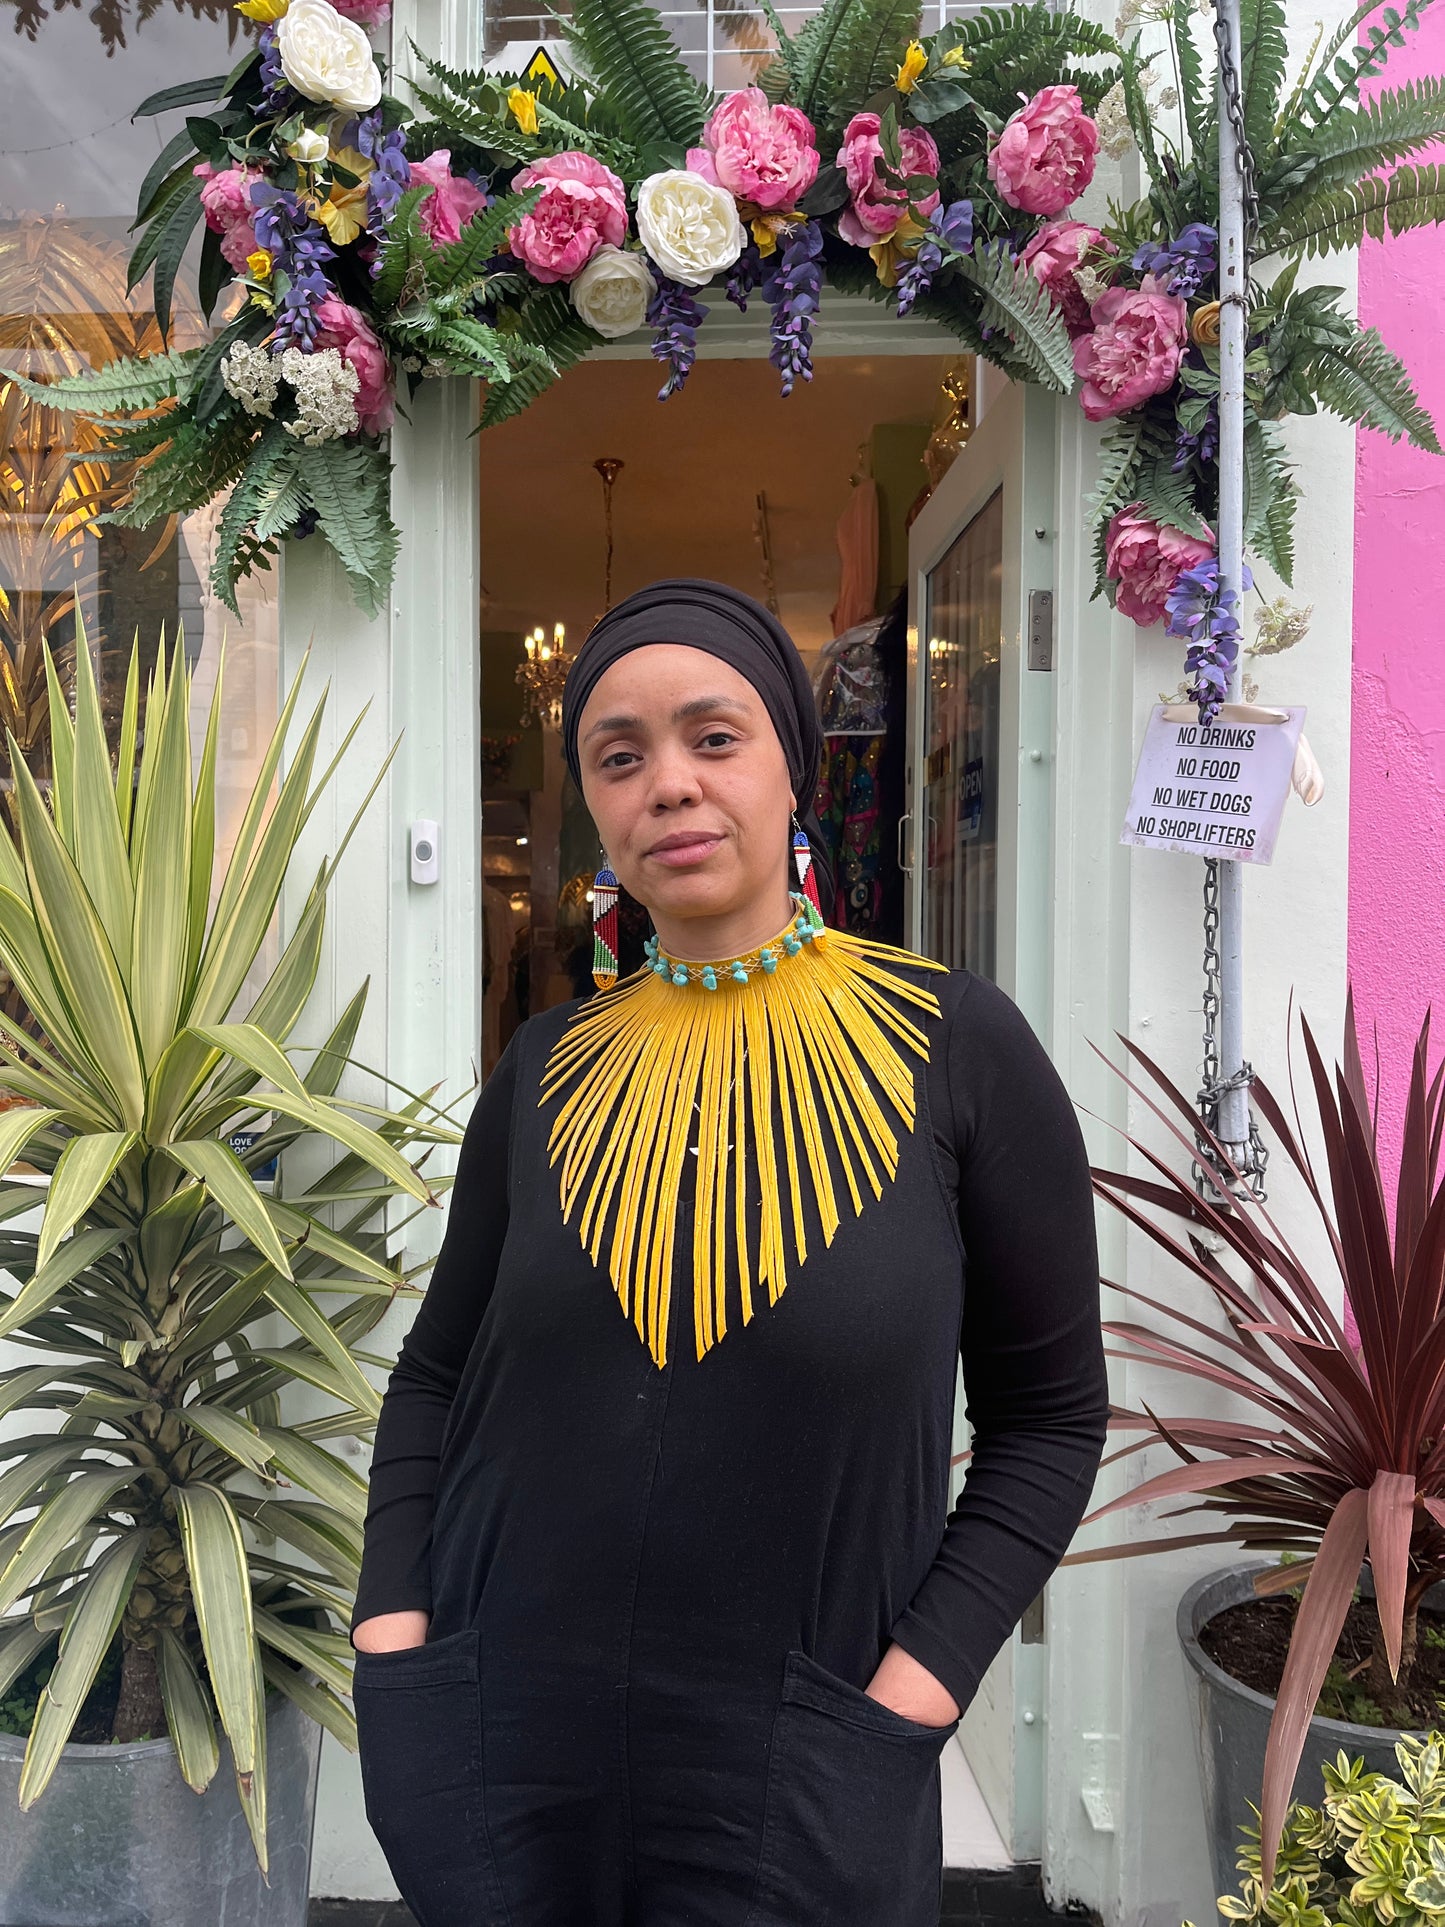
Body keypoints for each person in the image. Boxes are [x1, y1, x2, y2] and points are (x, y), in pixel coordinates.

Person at [347, 579, 1109, 1927]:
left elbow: (1048, 1423)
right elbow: (433, 1377)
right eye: (620, 756)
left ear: (794, 771)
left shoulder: (956, 1051)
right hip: (502, 1761)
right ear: (592, 802)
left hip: (803, 1776)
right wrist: (393, 1644)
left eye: (715, 737)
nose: (670, 787)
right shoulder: (544, 1074)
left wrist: (906, 1703)